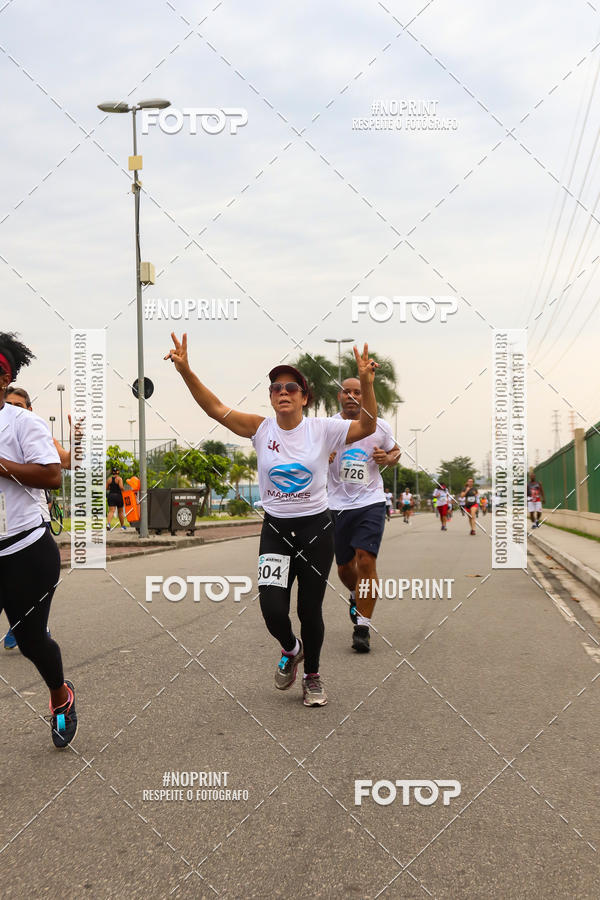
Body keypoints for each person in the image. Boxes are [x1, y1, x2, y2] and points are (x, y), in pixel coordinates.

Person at [165, 333, 379, 706]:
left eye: (291, 387)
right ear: (271, 396)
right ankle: (291, 647)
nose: (283, 392)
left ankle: (312, 676)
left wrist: (368, 386)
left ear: (304, 397)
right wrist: (185, 370)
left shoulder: (322, 430)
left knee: (308, 609)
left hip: (316, 529)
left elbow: (368, 427)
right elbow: (215, 408)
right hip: (276, 529)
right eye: (276, 387)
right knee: (272, 608)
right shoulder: (261, 429)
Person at [0, 332, 77, 748]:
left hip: (26, 549)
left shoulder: (23, 422)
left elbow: (52, 475)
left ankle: (60, 695)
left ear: (4, 378)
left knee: (31, 642)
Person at [327, 377, 400, 653]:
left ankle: (363, 626)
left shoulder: (380, 425)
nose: (352, 396)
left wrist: (388, 458)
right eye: (347, 391)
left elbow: (395, 451)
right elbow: (310, 455)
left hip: (370, 501)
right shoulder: (329, 427)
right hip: (337, 505)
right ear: (339, 396)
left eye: (358, 392)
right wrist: (325, 456)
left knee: (365, 560)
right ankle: (356, 594)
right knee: (345, 568)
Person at [2, 385, 70, 651]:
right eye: (9, 404)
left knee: (23, 584)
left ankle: (27, 627)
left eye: (19, 406)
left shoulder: (36, 433)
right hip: (3, 523)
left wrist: (76, 441)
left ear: (29, 409)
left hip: (32, 522)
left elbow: (66, 463)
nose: (13, 409)